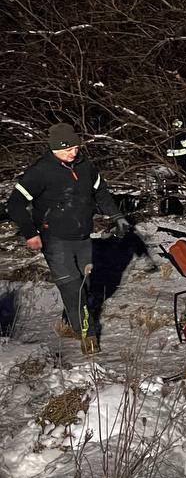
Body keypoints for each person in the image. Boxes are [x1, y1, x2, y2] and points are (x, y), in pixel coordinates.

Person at [6, 124, 130, 354]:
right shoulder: (40, 172)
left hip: (82, 236)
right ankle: (87, 334)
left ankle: (74, 320)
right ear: (54, 150)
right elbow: (14, 204)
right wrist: (30, 232)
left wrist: (117, 216)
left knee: (85, 284)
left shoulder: (86, 167)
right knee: (73, 287)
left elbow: (100, 192)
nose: (73, 153)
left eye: (75, 147)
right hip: (54, 238)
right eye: (67, 150)